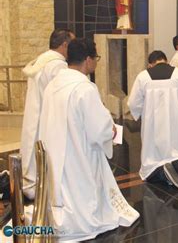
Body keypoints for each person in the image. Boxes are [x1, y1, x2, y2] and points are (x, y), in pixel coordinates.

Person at [38, 38, 139, 241]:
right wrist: (111, 132)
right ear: (88, 60)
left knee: (62, 190)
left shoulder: (53, 85)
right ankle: (82, 222)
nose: (96, 63)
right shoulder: (84, 88)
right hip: (79, 153)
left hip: (55, 152)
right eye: (96, 58)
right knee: (82, 195)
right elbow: (99, 130)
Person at [128, 50, 178, 190]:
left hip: (152, 126)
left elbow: (133, 104)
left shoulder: (143, 77)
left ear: (150, 64)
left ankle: (162, 172)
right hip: (176, 124)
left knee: (152, 163)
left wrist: (141, 112)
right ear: (166, 60)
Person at [20, 29, 75, 200]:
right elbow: (62, 94)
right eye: (72, 44)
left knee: (32, 148)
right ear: (64, 45)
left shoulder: (42, 60)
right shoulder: (57, 65)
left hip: (35, 112)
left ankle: (31, 182)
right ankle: (39, 186)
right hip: (47, 115)